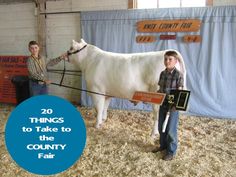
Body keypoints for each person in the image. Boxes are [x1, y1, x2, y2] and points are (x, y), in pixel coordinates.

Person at [152, 50, 184, 161]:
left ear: (175, 61)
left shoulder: (178, 75)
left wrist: (176, 105)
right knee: (161, 127)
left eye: (170, 59)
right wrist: (149, 97)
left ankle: (171, 151)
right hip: (163, 104)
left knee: (171, 129)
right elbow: (160, 90)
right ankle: (163, 146)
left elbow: (180, 91)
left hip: (173, 106)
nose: (167, 61)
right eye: (166, 59)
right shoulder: (162, 74)